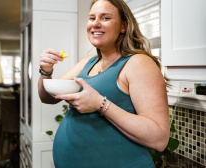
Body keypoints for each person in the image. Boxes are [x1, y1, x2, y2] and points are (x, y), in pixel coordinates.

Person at [38, 0, 170, 167]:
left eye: (105, 18)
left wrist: (101, 104)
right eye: (92, 18)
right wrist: (45, 71)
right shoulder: (89, 62)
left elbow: (159, 139)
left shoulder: (138, 63)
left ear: (123, 26)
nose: (96, 24)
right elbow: (48, 97)